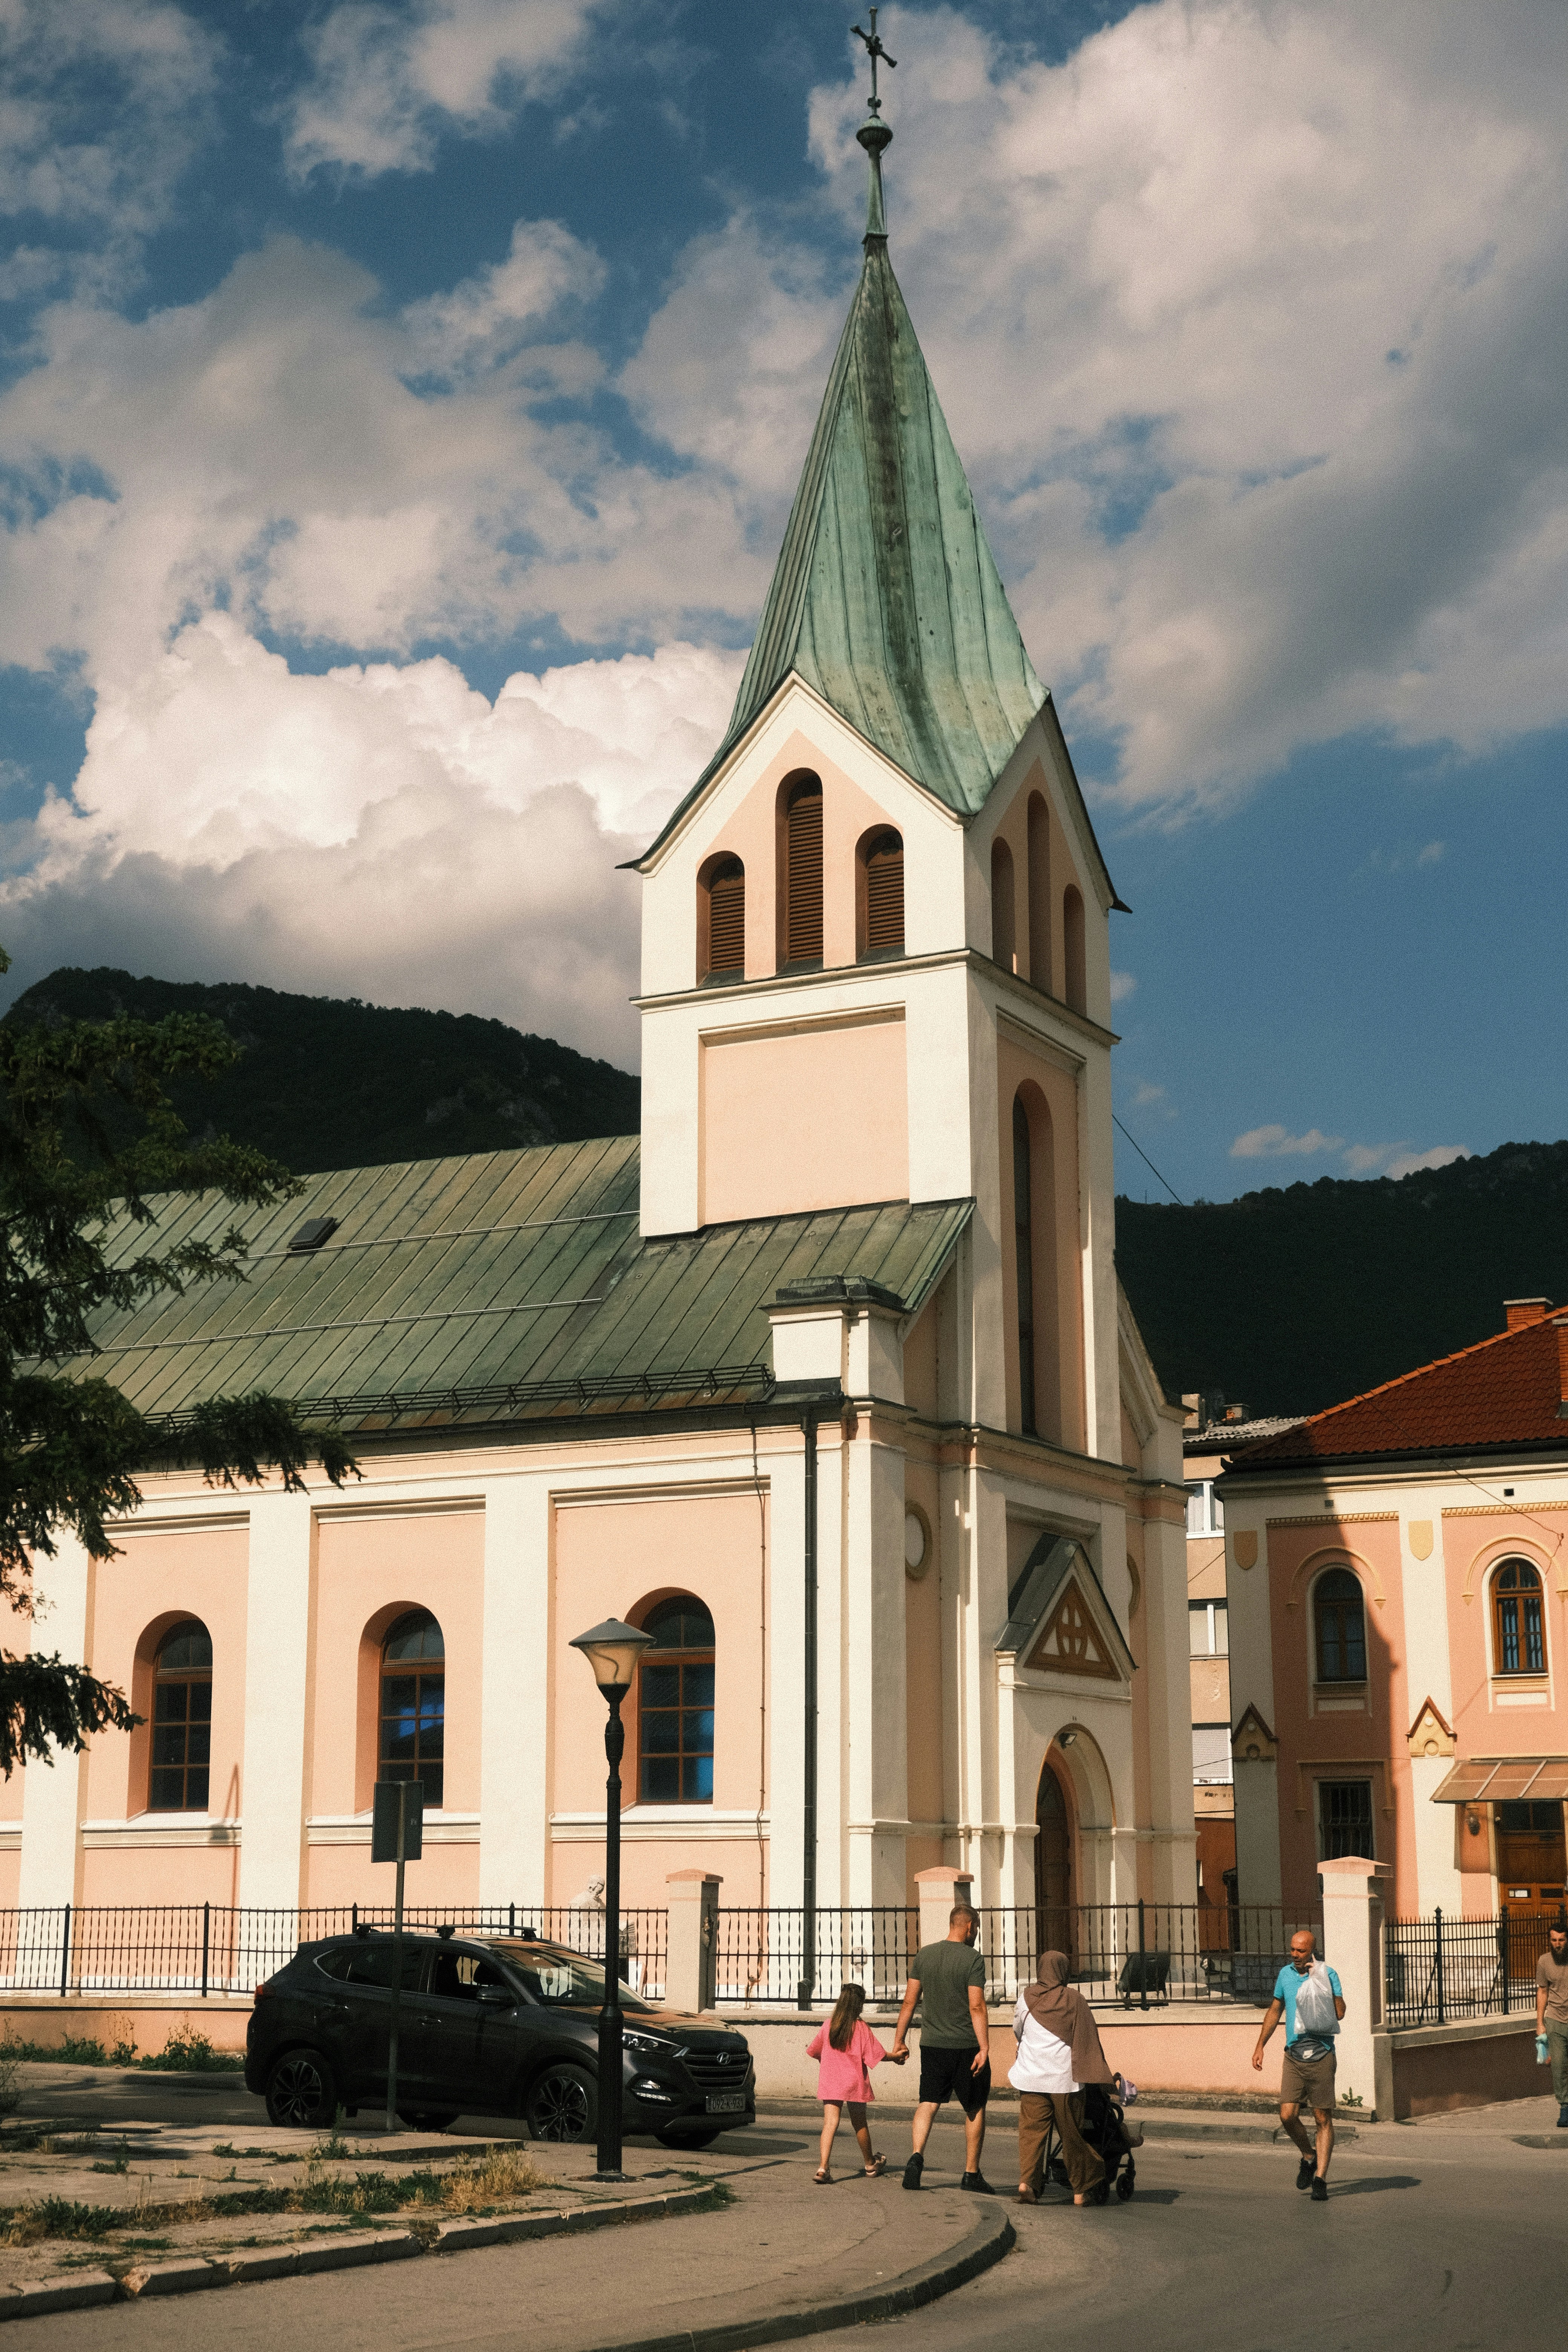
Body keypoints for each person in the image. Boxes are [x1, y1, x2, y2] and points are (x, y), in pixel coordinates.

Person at [890, 1903, 993, 2193]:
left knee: (928, 2102)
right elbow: (977, 2005)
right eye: (977, 1929)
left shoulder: (925, 1955)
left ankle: (916, 2157)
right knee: (974, 2107)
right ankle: (971, 2174)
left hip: (932, 2045)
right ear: (970, 1926)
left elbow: (909, 2002)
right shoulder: (973, 1959)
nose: (976, 1934)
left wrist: (899, 2041)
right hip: (966, 2046)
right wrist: (984, 2048)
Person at [1011, 1951, 1116, 2207]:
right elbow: (1088, 2038)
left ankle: (1028, 2183)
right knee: (1072, 2135)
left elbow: (1017, 2031)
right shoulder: (1075, 2000)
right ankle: (1081, 2190)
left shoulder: (1025, 1998)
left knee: (1032, 2134)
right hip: (1064, 2080)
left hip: (1030, 2076)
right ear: (1064, 1971)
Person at [1252, 1928, 1345, 2202]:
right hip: (1293, 2055)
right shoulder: (1285, 1975)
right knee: (1287, 2115)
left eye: (1300, 1951)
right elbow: (1275, 2010)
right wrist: (1260, 2046)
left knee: (1322, 2119)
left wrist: (1324, 1983)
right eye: (1292, 1949)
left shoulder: (1328, 1974)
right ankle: (1308, 2156)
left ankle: (1320, 2179)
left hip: (1322, 2054)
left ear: (1312, 1951)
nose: (1295, 1955)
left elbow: (1340, 2013)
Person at [807, 1981, 904, 2182]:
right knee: (859, 2123)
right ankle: (870, 2164)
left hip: (831, 2080)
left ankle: (823, 2169)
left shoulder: (829, 2025)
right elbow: (876, 2055)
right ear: (858, 2005)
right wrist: (895, 2056)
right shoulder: (861, 2028)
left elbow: (815, 2051)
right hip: (854, 2082)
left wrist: (831, 2063)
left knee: (830, 2123)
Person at [1534, 1918, 1568, 2127]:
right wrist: (1540, 2022)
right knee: (1559, 2066)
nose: (1558, 1944)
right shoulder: (1544, 1962)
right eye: (1554, 1940)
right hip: (1555, 2020)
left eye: (1562, 1940)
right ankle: (1565, 2108)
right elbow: (1543, 1991)